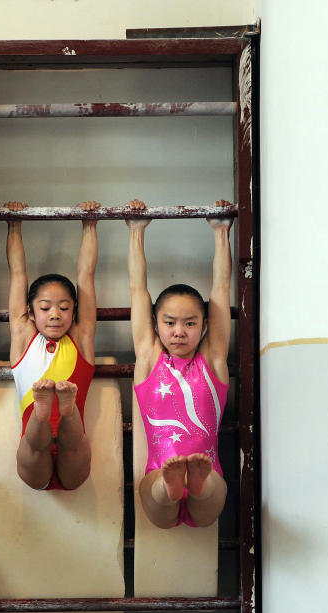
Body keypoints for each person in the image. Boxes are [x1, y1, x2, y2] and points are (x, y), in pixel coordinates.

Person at [127, 200, 232, 528]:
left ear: (204, 326)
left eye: (190, 323)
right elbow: (137, 290)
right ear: (156, 324)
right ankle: (172, 487)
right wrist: (136, 231)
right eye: (170, 322)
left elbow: (221, 289)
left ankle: (196, 485)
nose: (179, 332)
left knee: (210, 490)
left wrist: (220, 230)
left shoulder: (213, 359)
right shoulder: (149, 357)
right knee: (157, 490)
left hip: (209, 473)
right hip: (158, 471)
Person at [6, 202, 99, 490]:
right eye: (45, 308)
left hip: (74, 456)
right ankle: (44, 412)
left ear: (74, 312)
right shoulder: (24, 337)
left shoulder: (81, 339)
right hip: (34, 456)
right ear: (30, 313)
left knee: (72, 444)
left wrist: (89, 224)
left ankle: (63, 409)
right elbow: (18, 274)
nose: (55, 314)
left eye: (64, 307)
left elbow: (86, 275)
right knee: (35, 444)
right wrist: (14, 224)